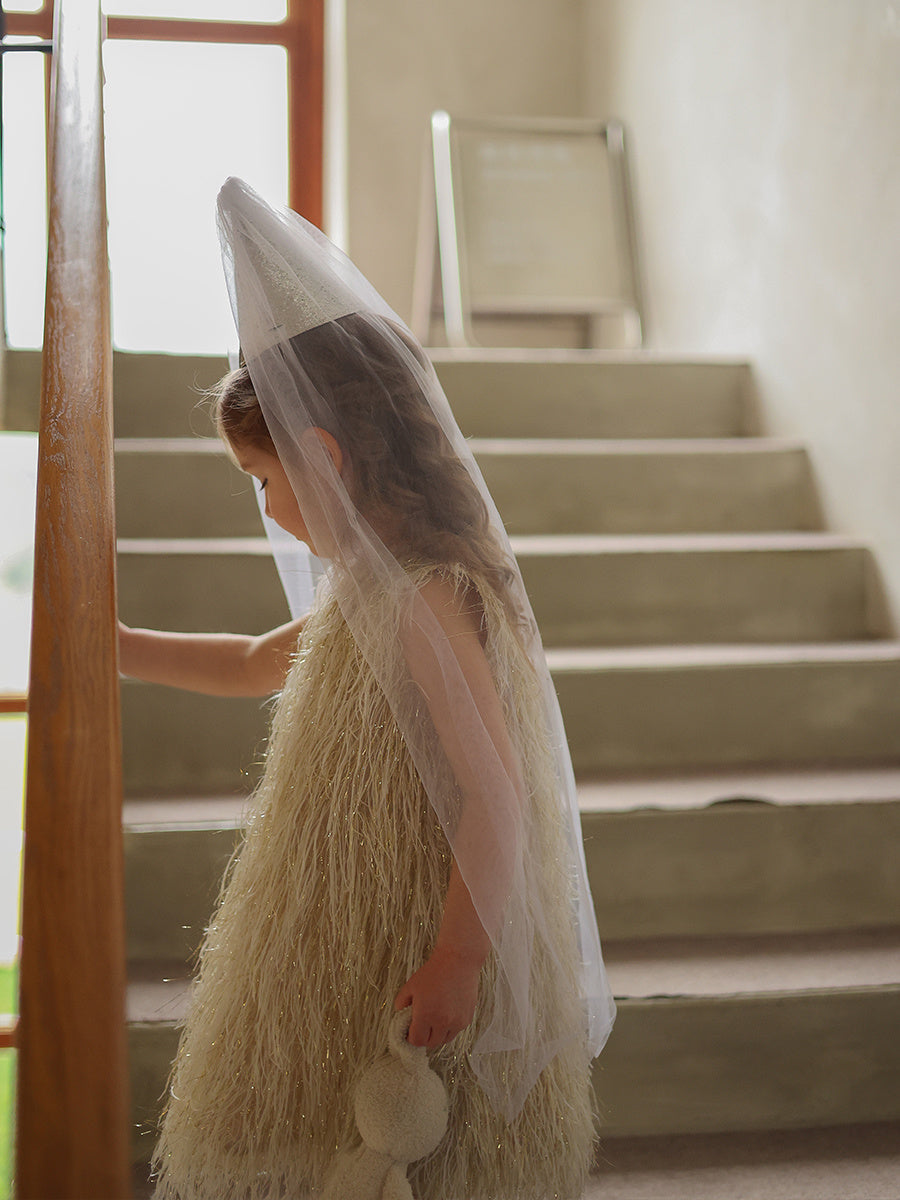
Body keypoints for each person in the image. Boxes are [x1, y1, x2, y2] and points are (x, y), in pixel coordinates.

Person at [119, 178, 615, 1200]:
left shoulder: (429, 600)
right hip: (354, 902)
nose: (267, 506)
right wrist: (112, 643)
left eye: (265, 481)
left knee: (404, 1137)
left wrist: (460, 958)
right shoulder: (372, 591)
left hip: (414, 914)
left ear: (324, 456)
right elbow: (257, 660)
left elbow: (492, 792)